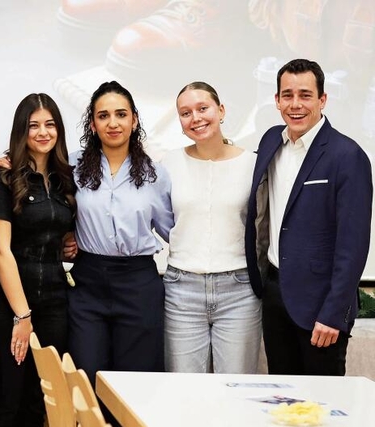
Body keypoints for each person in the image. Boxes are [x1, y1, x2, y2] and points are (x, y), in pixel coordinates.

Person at [245, 58, 373, 376]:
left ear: (322, 99)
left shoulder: (348, 156)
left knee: (324, 406)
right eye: (287, 95)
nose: (296, 104)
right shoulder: (271, 141)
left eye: (305, 95)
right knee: (282, 400)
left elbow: (353, 245)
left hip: (320, 304)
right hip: (275, 296)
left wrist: (334, 312)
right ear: (276, 100)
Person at [0, 93, 75, 427]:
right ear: (22, 130)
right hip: (7, 305)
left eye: (50, 124)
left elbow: (65, 232)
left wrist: (72, 244)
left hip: (54, 301)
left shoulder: (66, 178)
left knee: (38, 405)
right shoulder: (3, 177)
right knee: (5, 405)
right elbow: (1, 250)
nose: (43, 132)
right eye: (34, 125)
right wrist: (21, 316)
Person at [68, 80, 172, 387]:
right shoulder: (71, 165)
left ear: (134, 120)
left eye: (121, 114)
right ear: (93, 123)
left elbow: (173, 230)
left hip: (138, 284)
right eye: (103, 116)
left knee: (135, 385)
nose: (113, 123)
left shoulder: (155, 173)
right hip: (88, 283)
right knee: (86, 380)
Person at [162, 81, 262, 374]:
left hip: (240, 291)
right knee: (184, 391)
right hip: (182, 290)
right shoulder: (168, 163)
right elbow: (156, 217)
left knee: (237, 389)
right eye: (185, 113)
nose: (196, 118)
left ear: (221, 110)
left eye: (203, 108)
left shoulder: (252, 164)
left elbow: (262, 225)